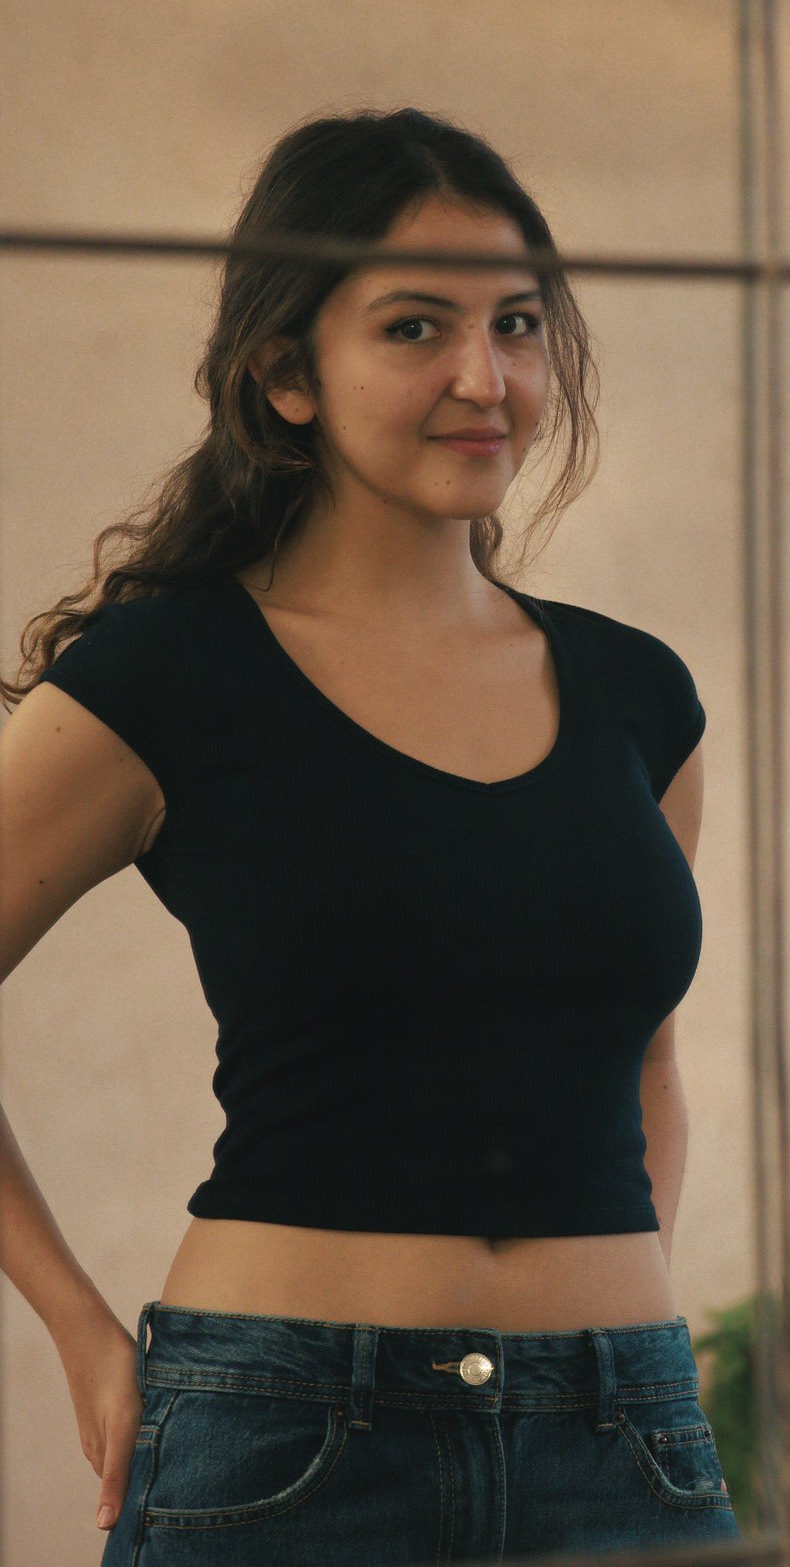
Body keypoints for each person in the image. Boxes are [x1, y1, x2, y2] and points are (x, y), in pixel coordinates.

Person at [0, 107, 742, 1563]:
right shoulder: (167, 678)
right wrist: (79, 1329)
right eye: (415, 329)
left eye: (517, 325)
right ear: (286, 375)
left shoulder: (639, 694)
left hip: (625, 1440)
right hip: (288, 1439)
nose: (484, 378)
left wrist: (626, 1325)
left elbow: (644, 1061)